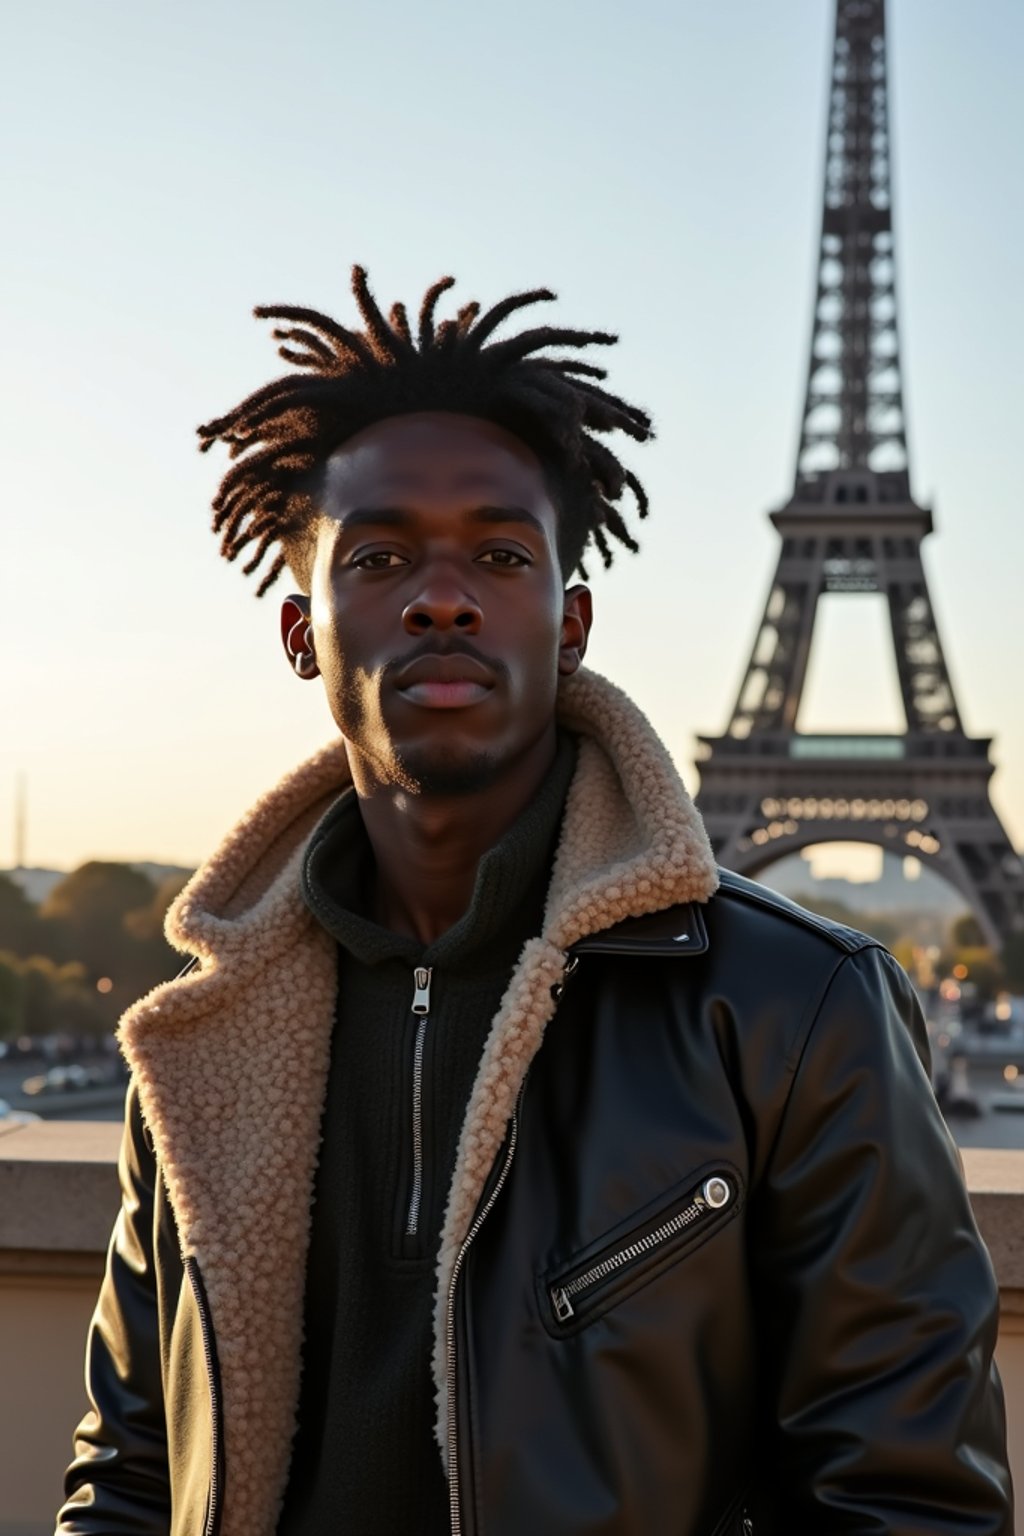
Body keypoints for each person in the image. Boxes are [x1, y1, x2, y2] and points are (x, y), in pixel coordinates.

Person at [58, 268, 1011, 1536]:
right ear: (302, 631)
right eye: (381, 554)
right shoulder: (192, 1048)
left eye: (498, 556)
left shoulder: (801, 1012)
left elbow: (905, 1505)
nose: (440, 596)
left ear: (571, 623)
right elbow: (129, 1481)